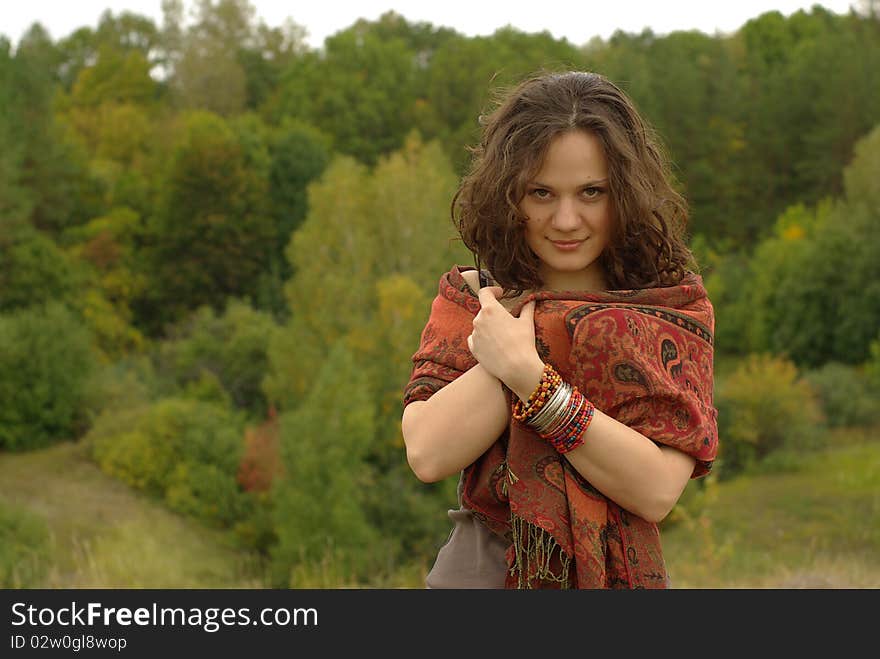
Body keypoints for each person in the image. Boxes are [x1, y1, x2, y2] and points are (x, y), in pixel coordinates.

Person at [401, 70, 719, 589]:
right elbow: (428, 452)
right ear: (509, 196)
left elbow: (656, 490)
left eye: (591, 192)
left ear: (627, 193)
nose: (567, 219)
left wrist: (530, 370)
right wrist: (505, 360)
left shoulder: (669, 311)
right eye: (541, 193)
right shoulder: (475, 298)